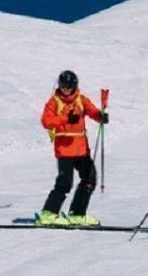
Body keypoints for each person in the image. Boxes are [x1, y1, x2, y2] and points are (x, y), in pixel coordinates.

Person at [36, 70, 107, 225]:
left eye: (68, 86)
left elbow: (92, 111)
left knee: (89, 180)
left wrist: (100, 116)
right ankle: (49, 213)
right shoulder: (54, 102)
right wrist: (65, 118)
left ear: (74, 86)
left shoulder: (81, 100)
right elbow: (46, 122)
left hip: (82, 150)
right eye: (63, 86)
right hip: (64, 150)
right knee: (65, 183)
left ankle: (77, 214)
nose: (65, 89)